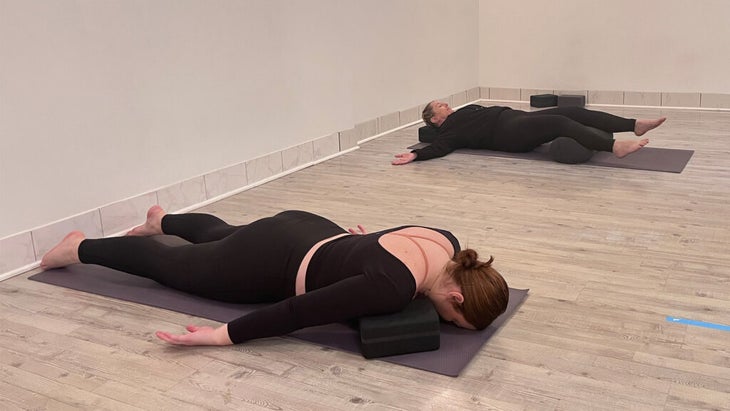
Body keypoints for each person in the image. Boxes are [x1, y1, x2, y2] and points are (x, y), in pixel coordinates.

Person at [41, 206, 509, 346]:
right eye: (450, 318)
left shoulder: (446, 239)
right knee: (171, 266)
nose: (441, 320)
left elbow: (385, 238)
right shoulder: (391, 289)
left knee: (221, 233)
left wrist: (359, 241)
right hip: (270, 263)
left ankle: (161, 220)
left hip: (308, 226)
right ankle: (77, 248)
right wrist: (222, 336)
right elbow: (297, 311)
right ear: (456, 295)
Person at [392, 101, 667, 165]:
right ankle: (614, 146)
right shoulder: (448, 131)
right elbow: (439, 148)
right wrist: (415, 155)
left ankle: (634, 124)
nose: (445, 104)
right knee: (559, 121)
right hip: (508, 134)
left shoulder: (462, 111)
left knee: (572, 110)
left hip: (516, 118)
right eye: (439, 106)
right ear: (435, 120)